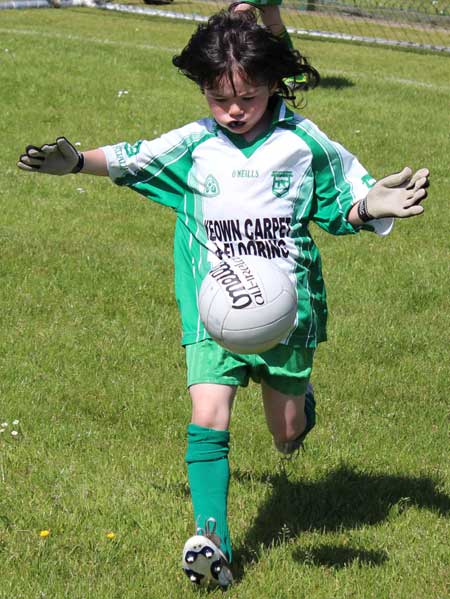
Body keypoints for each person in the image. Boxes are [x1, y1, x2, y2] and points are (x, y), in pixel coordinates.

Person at [17, 10, 429, 589]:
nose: (233, 110)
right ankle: (213, 541)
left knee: (286, 436)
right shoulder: (197, 145)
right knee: (207, 412)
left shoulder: (302, 144)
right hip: (213, 308)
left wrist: (369, 208)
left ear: (270, 84)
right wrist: (76, 162)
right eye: (218, 97)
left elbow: (344, 202)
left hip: (287, 312)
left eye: (247, 96)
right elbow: (135, 155)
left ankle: (298, 406)